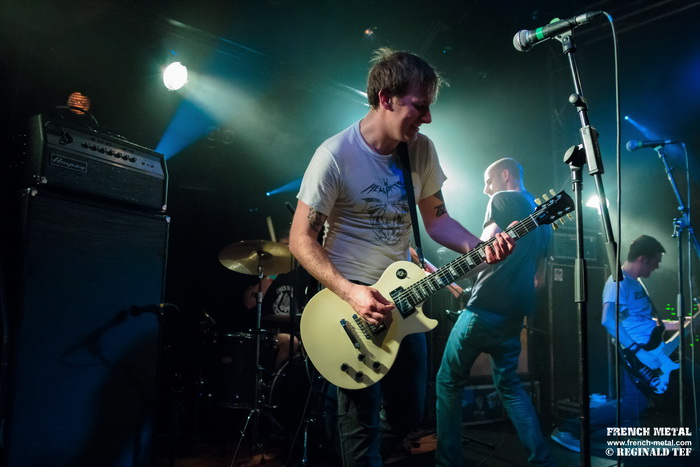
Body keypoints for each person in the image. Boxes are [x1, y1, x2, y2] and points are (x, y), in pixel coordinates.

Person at [289, 48, 515, 467]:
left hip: (405, 299)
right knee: (360, 431)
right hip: (349, 305)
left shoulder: (421, 150)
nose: (427, 118)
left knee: (409, 413)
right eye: (419, 106)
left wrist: (481, 248)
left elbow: (438, 221)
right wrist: (350, 292)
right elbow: (301, 239)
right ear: (385, 98)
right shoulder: (335, 155)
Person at [435, 157, 554, 467]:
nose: (485, 189)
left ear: (505, 175)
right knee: (511, 387)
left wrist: (449, 274)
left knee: (448, 382)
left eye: (488, 181)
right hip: (515, 315)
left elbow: (481, 253)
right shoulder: (542, 215)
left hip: (484, 307)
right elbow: (539, 280)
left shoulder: (502, 199)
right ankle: (542, 460)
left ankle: (447, 463)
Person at [550, 235, 667, 452]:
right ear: (642, 259)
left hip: (649, 350)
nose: (656, 267)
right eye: (654, 262)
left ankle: (592, 434)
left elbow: (643, 321)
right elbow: (608, 319)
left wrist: (682, 323)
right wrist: (637, 351)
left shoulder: (636, 283)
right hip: (636, 352)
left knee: (636, 405)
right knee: (634, 403)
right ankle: (570, 428)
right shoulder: (618, 281)